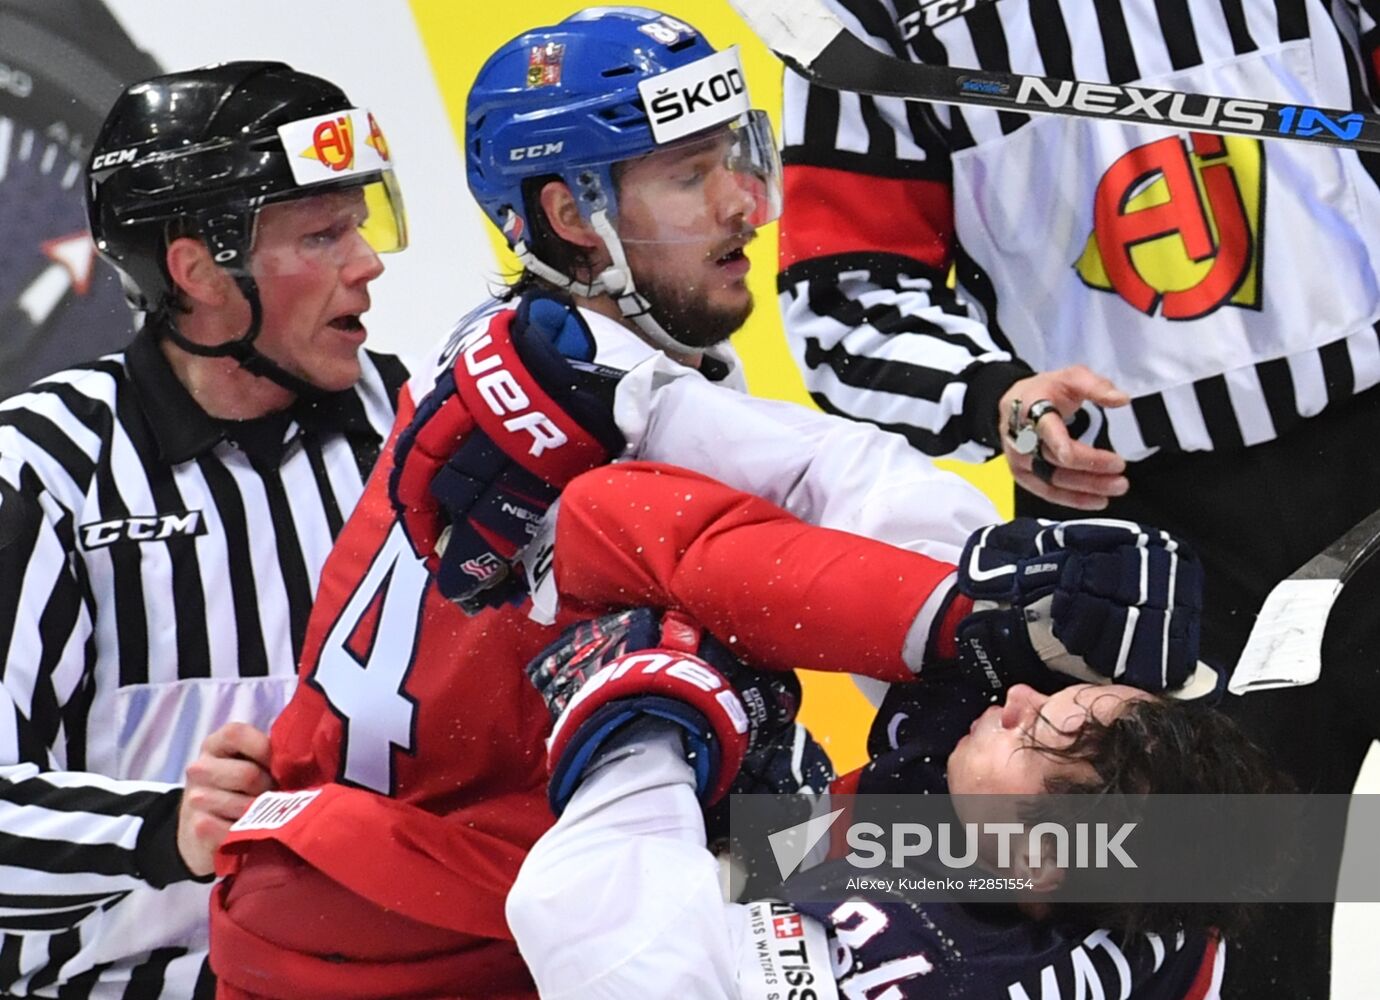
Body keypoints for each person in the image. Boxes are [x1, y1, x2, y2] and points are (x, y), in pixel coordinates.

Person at [206, 9, 1206, 998]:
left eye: (736, 155)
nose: (747, 205)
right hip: (387, 911)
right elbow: (698, 528)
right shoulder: (534, 386)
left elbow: (817, 470)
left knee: (1047, 835)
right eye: (690, 175)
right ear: (569, 215)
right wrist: (982, 605)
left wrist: (1015, 598)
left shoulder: (622, 370)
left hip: (485, 862)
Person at [772, 1, 1380, 994]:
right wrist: (993, 401)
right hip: (1132, 543)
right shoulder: (873, 19)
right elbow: (847, 291)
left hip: (1369, 450)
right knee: (1215, 927)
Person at [0, 62, 408, 996]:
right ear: (197, 271)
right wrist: (163, 828)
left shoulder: (422, 432)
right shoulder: (41, 471)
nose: (368, 263)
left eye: (360, 224)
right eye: (322, 234)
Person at [509, 603, 1289, 999]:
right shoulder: (1172, 898)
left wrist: (644, 727)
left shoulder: (899, 976)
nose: (1018, 695)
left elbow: (582, 921)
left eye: (1030, 731)